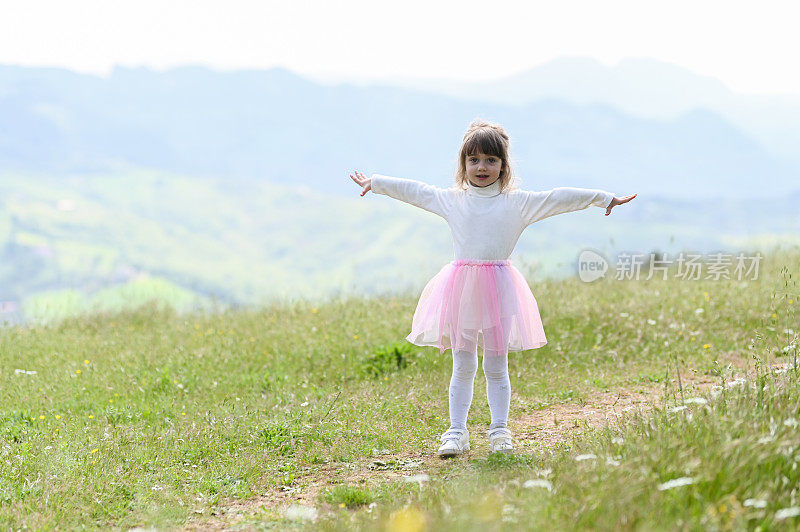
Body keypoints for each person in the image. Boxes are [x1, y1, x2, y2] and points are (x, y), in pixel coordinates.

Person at [349, 120, 636, 458]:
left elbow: (558, 198)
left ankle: (500, 431)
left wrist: (602, 198)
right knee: (463, 364)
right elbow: (417, 191)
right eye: (473, 160)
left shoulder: (518, 203)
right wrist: (377, 183)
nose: (481, 167)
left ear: (503, 165)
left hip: (500, 290)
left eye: (490, 160)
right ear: (463, 165)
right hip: (462, 292)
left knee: (496, 367)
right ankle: (456, 432)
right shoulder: (453, 200)